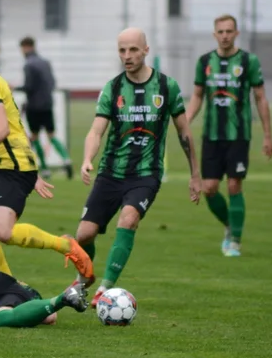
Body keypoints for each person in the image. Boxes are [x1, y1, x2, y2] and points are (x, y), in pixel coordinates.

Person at [0, 32, 93, 282]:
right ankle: (9, 286)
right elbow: (15, 121)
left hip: (11, 169)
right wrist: (30, 168)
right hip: (10, 168)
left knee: (2, 231)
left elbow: (2, 128)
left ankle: (65, 246)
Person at [70, 27, 202, 306]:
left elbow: (184, 132)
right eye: (122, 50)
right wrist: (86, 159)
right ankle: (87, 276)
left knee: (128, 219)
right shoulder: (113, 88)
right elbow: (96, 131)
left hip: (146, 174)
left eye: (132, 50)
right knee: (84, 235)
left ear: (146, 50)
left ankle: (104, 289)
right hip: (110, 172)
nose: (127, 56)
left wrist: (195, 174)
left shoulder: (167, 87)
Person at [185, 15, 272, 257]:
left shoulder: (248, 61)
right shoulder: (204, 62)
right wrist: (184, 122)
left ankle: (235, 240)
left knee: (234, 184)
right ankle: (229, 225)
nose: (225, 35)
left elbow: (260, 98)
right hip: (211, 136)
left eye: (229, 31)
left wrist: (267, 135)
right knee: (210, 188)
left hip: (238, 135)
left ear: (236, 33)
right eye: (220, 32)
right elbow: (197, 96)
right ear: (215, 35)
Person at [20, 36, 72, 179]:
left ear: (25, 47)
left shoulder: (28, 65)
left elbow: (28, 86)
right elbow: (52, 82)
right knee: (51, 135)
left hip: (34, 106)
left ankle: (44, 168)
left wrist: (16, 87)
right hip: (47, 104)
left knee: (35, 137)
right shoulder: (46, 63)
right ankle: (66, 158)